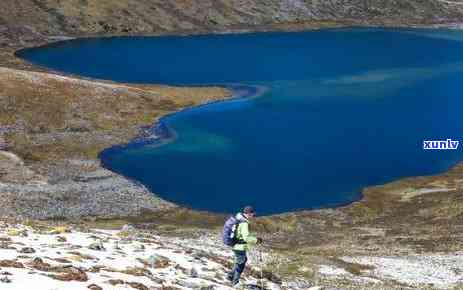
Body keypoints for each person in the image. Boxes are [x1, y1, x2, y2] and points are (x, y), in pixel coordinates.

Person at [227, 206, 263, 288]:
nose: (253, 216)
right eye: (252, 214)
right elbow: (246, 237)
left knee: (241, 260)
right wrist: (256, 240)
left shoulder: (239, 220)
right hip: (239, 247)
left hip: (236, 246)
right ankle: (235, 282)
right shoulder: (244, 223)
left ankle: (230, 275)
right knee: (241, 264)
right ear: (249, 213)